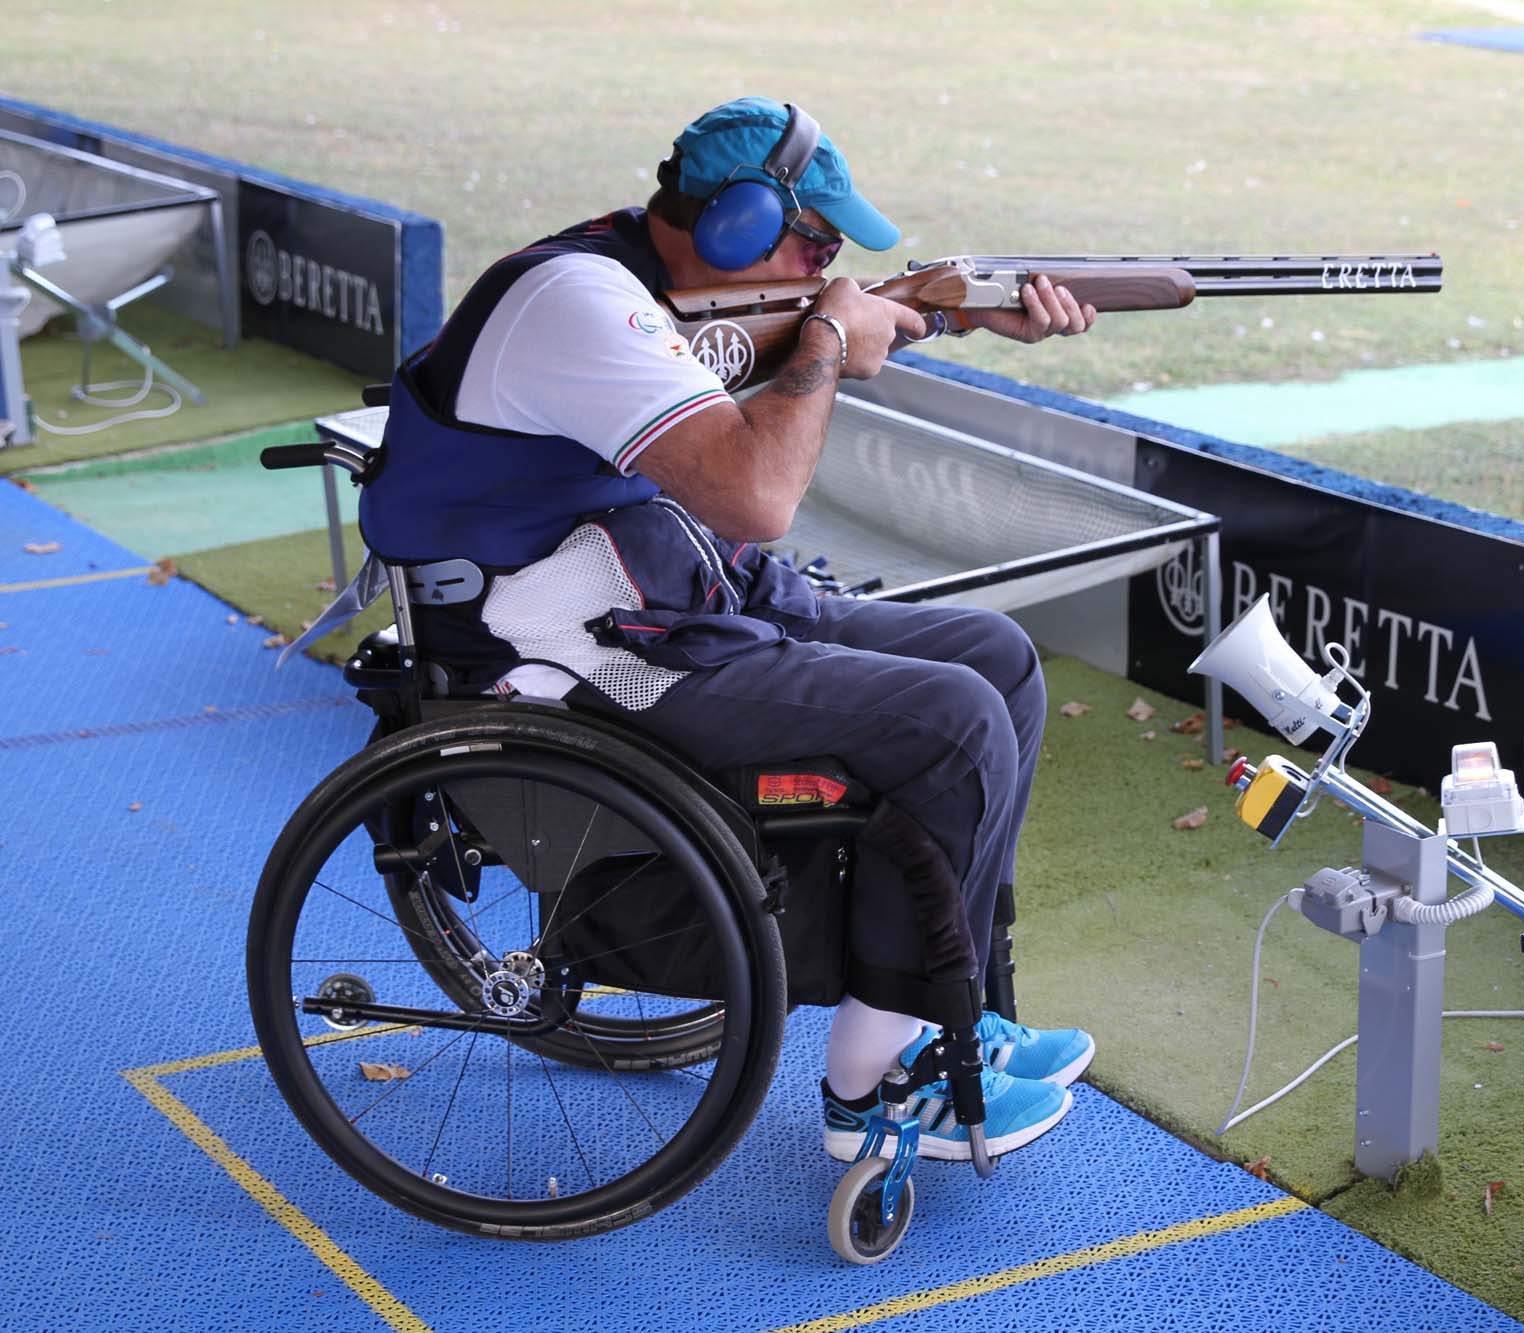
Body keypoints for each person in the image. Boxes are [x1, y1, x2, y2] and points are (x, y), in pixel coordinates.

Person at [360, 97, 1099, 1164]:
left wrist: (952, 315)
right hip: (569, 658)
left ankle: (951, 1014)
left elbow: (758, 352)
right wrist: (837, 337)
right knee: (948, 720)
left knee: (994, 657)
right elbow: (758, 497)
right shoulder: (579, 300)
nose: (819, 265)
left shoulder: (646, 274)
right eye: (814, 241)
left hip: (659, 598)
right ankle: (870, 1083)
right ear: (737, 226)